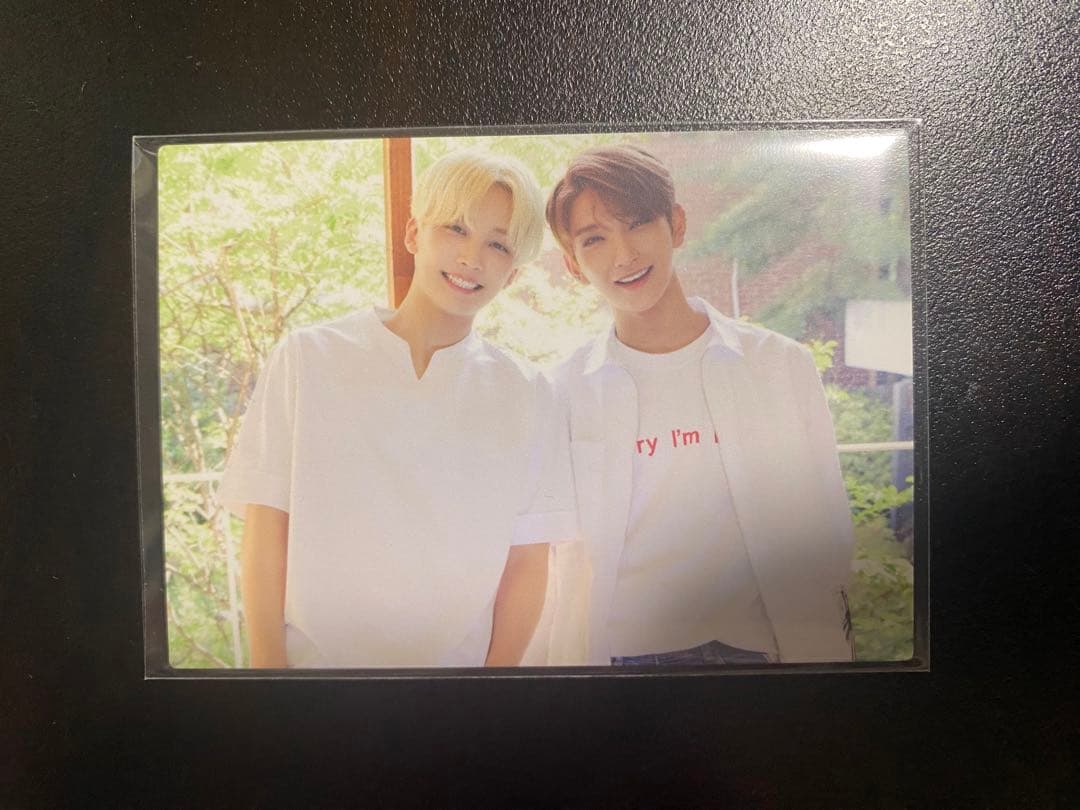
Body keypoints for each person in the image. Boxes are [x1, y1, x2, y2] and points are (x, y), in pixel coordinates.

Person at [218, 149, 575, 668]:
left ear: (513, 274)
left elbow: (527, 560)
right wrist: (269, 675)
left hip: (457, 689)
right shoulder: (308, 357)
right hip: (312, 676)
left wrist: (494, 692)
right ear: (413, 234)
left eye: (497, 244)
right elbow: (267, 521)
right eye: (455, 228)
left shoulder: (529, 392)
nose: (471, 257)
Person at [545, 144, 855, 666]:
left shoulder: (778, 365)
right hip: (623, 664)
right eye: (595, 239)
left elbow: (826, 530)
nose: (624, 255)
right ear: (573, 264)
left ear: (677, 224)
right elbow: (553, 560)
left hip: (762, 656)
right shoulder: (564, 390)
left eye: (638, 223)